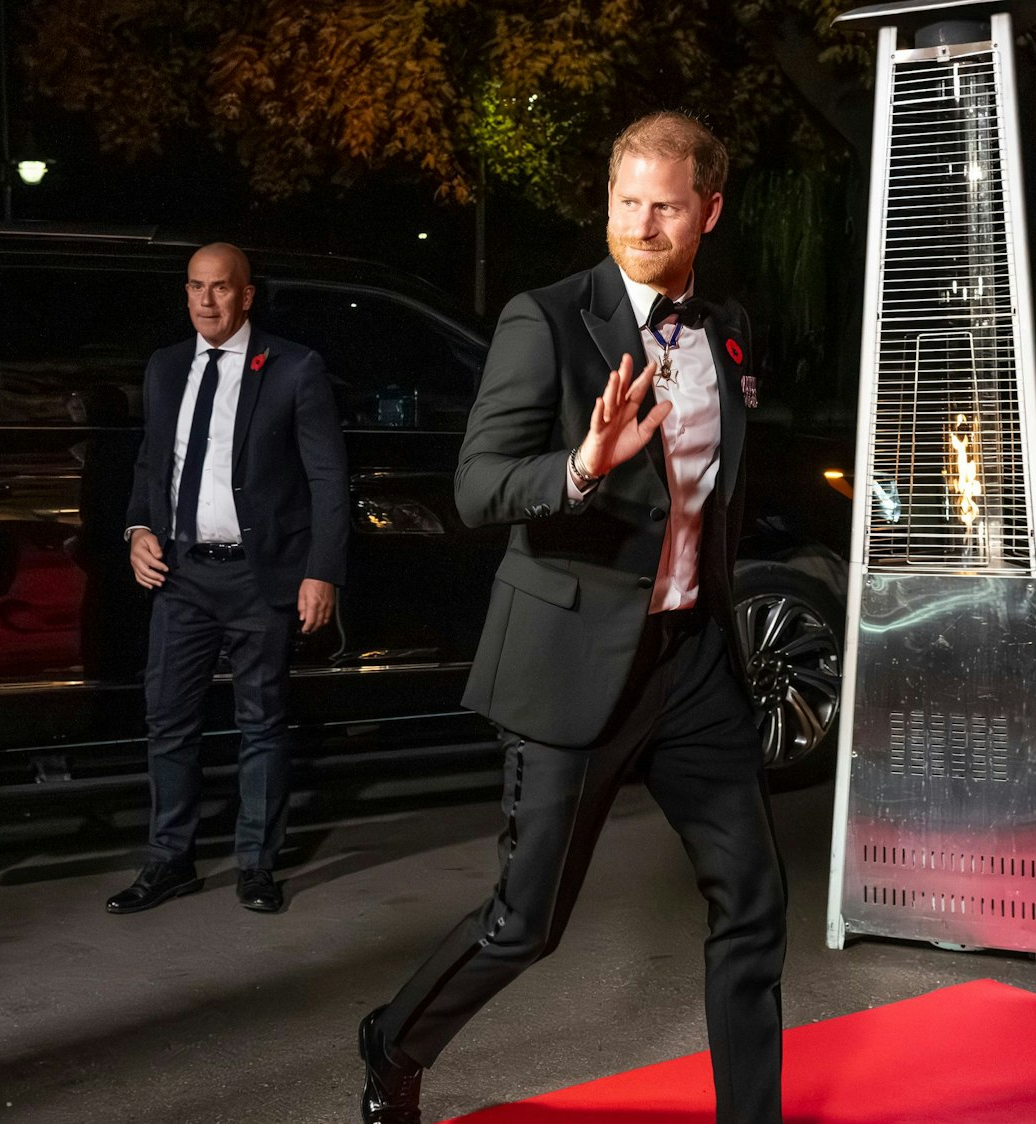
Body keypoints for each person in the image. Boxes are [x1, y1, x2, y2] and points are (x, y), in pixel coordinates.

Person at [358, 112, 787, 1124]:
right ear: (606, 202)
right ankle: (393, 1039)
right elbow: (475, 488)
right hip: (572, 660)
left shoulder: (726, 325)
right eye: (626, 201)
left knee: (753, 900)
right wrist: (584, 467)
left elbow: (714, 491)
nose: (642, 223)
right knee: (524, 922)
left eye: (667, 205)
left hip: (693, 659)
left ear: (709, 210)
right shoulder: (544, 319)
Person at [106, 242, 348, 916]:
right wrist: (137, 530)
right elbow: (152, 465)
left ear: (246, 295)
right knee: (169, 722)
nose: (205, 301)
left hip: (259, 573)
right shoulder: (165, 368)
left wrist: (319, 572)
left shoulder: (294, 368)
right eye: (195, 287)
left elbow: (328, 479)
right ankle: (168, 861)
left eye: (220, 288)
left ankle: (256, 865)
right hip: (181, 572)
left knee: (262, 723)